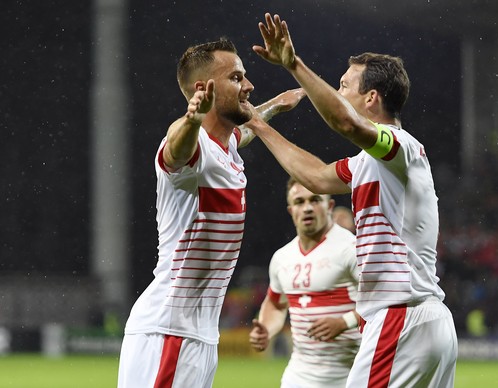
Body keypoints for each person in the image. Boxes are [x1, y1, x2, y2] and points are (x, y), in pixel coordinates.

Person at [246, 13, 458, 387]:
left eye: (344, 86)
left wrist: (293, 64)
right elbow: (316, 177)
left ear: (371, 98)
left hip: (400, 319)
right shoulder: (370, 162)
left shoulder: (398, 146)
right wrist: (260, 126)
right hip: (424, 321)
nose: (337, 94)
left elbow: (345, 123)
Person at [117, 38, 305, 388]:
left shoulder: (227, 144)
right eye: (236, 78)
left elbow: (245, 131)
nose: (248, 85)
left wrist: (277, 104)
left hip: (200, 337)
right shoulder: (194, 148)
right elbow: (175, 149)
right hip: (168, 332)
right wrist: (191, 120)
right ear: (203, 89)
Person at [249, 177, 361, 387]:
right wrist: (266, 328)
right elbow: (275, 303)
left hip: (352, 374)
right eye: (300, 202)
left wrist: (344, 322)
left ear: (329, 206)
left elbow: (385, 301)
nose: (307, 208)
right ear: (291, 210)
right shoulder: (282, 258)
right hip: (299, 375)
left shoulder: (351, 249)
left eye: (315, 200)